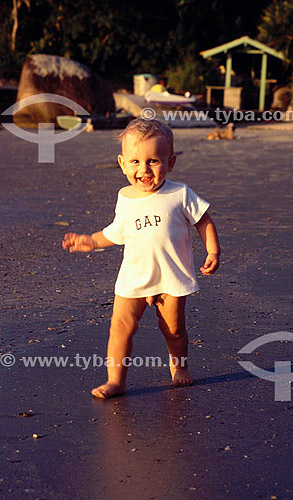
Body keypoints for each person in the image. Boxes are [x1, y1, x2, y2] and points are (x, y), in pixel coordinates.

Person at [62, 118, 220, 398]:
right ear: (122, 164)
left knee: (174, 330)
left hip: (170, 279)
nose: (143, 169)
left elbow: (203, 220)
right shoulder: (124, 198)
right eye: (135, 162)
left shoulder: (179, 193)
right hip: (133, 278)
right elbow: (114, 233)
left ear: (170, 162)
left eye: (153, 161)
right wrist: (90, 241)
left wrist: (213, 251)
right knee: (120, 328)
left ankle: (179, 367)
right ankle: (115, 381)